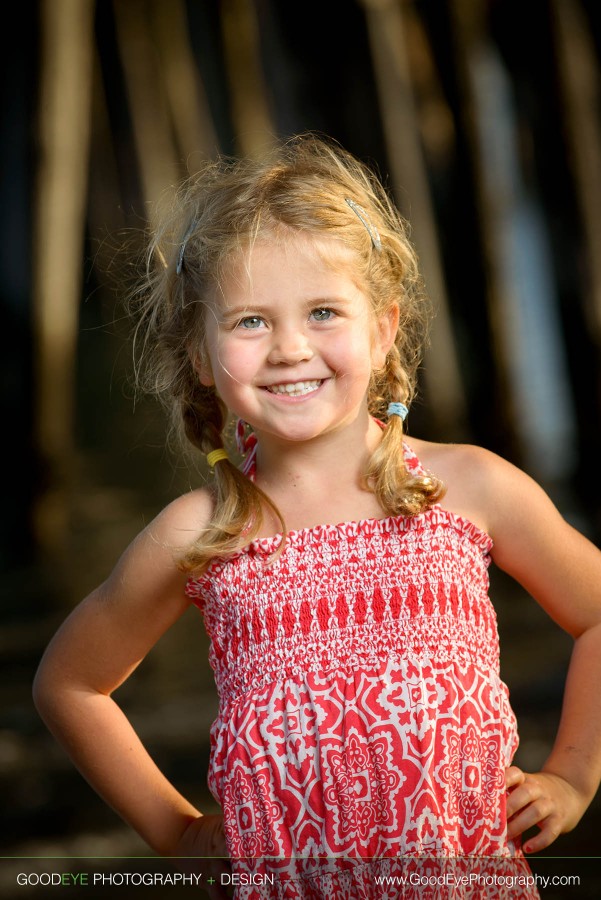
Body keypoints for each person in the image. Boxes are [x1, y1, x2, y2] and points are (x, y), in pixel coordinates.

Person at [33, 134, 601, 899]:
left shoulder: (470, 488)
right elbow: (70, 685)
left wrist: (570, 775)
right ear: (201, 357)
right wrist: (177, 832)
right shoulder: (200, 532)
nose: (290, 348)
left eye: (323, 311)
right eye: (249, 323)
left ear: (383, 327)